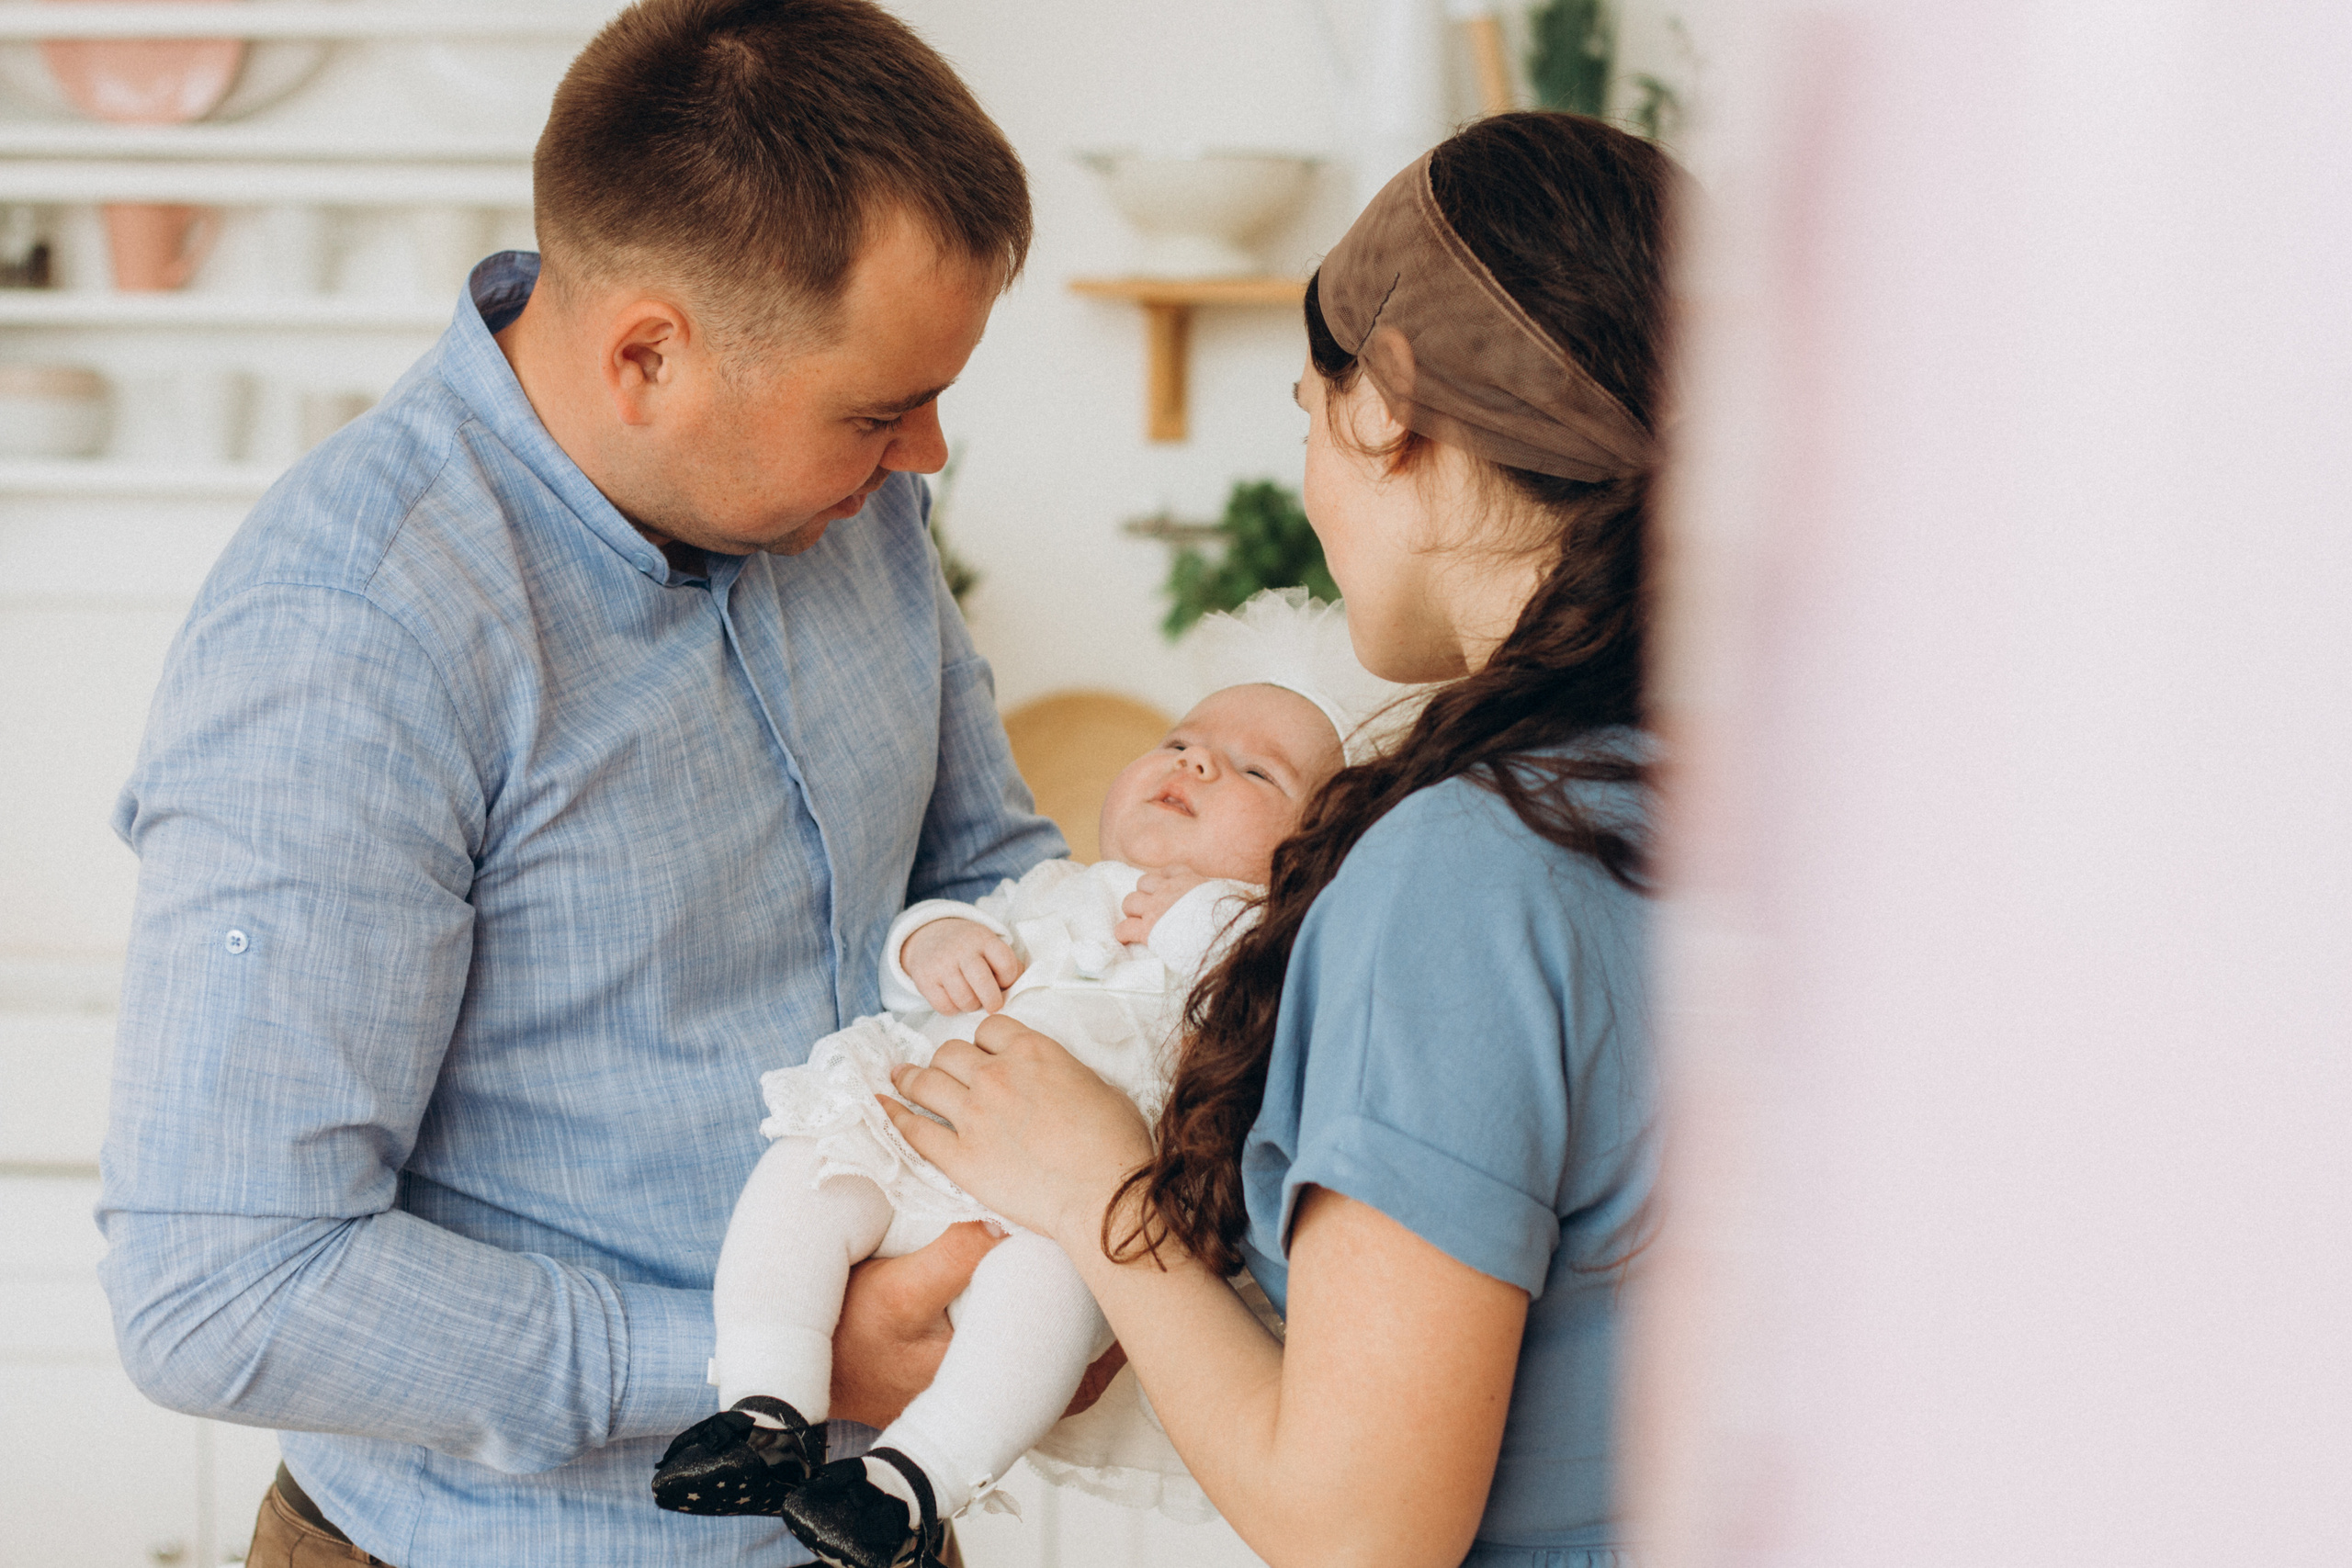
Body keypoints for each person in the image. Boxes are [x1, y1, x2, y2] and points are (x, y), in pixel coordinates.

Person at [96, 4, 1074, 1565]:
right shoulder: (353, 632)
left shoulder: (841, 499)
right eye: (882, 410)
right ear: (647, 355)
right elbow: (223, 1288)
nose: (928, 455)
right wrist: (769, 1360)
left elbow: (979, 865)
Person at [878, 110, 1674, 1568]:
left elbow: (1359, 1529)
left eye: (1310, 414)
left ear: (1392, 413)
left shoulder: (1468, 874)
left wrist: (1092, 1181)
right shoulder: (1783, 798)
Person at [654, 592, 1419, 1566]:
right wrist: (934, 941)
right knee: (806, 1175)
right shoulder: (1061, 889)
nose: (1195, 762)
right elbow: (939, 944)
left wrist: (1202, 914)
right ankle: (766, 1401)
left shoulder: (1269, 945)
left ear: (1317, 853)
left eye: (1254, 770)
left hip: (1059, 1209)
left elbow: (1238, 1024)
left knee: (1050, 1299)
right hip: (921, 1137)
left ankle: (915, 1477)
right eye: (1182, 740)